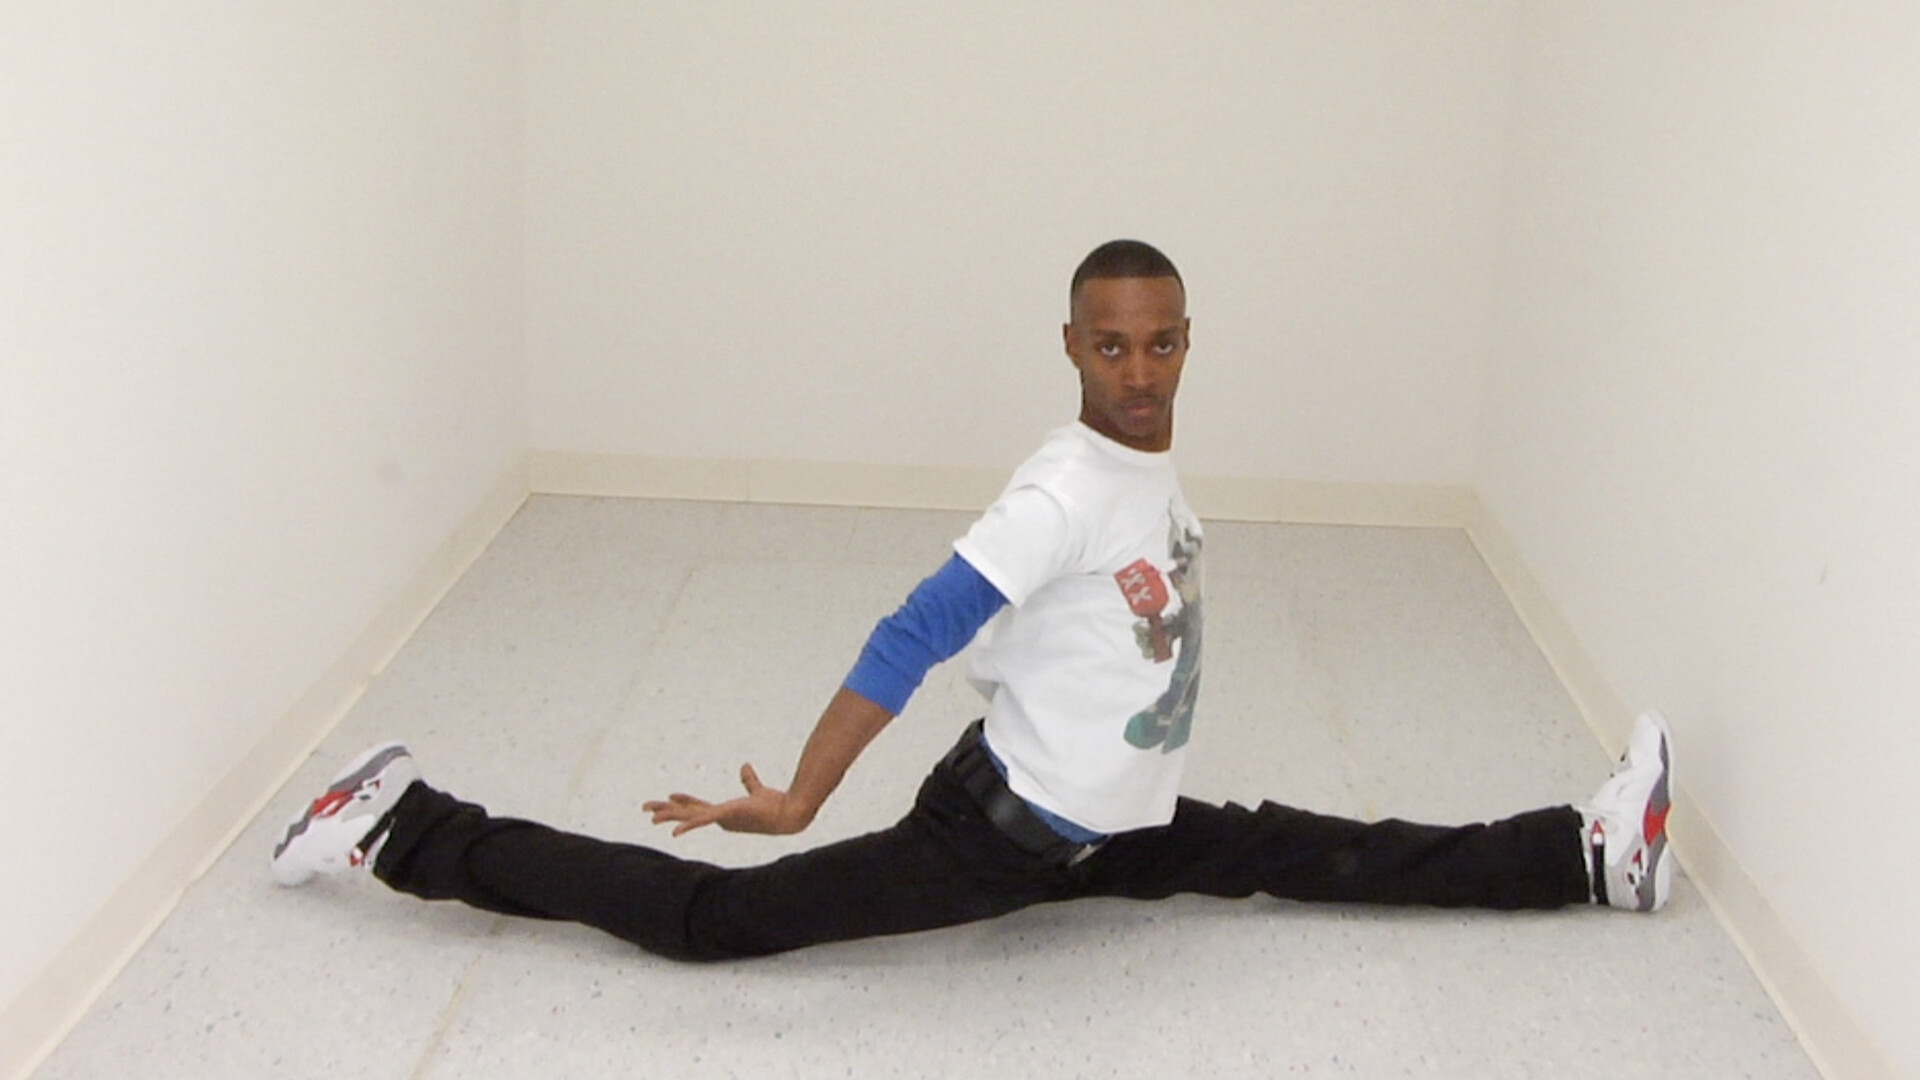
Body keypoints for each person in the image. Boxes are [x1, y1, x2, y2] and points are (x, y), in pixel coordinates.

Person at [270, 240, 1674, 961]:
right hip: (1001, 837)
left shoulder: (1146, 469)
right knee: (713, 924)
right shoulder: (1062, 492)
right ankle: (404, 829)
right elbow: (914, 631)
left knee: (1294, 850)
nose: (1139, 372)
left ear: (1191, 342)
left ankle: (1585, 857)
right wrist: (802, 798)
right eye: (1111, 346)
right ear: (1070, 344)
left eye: (1161, 344)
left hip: (1104, 821)